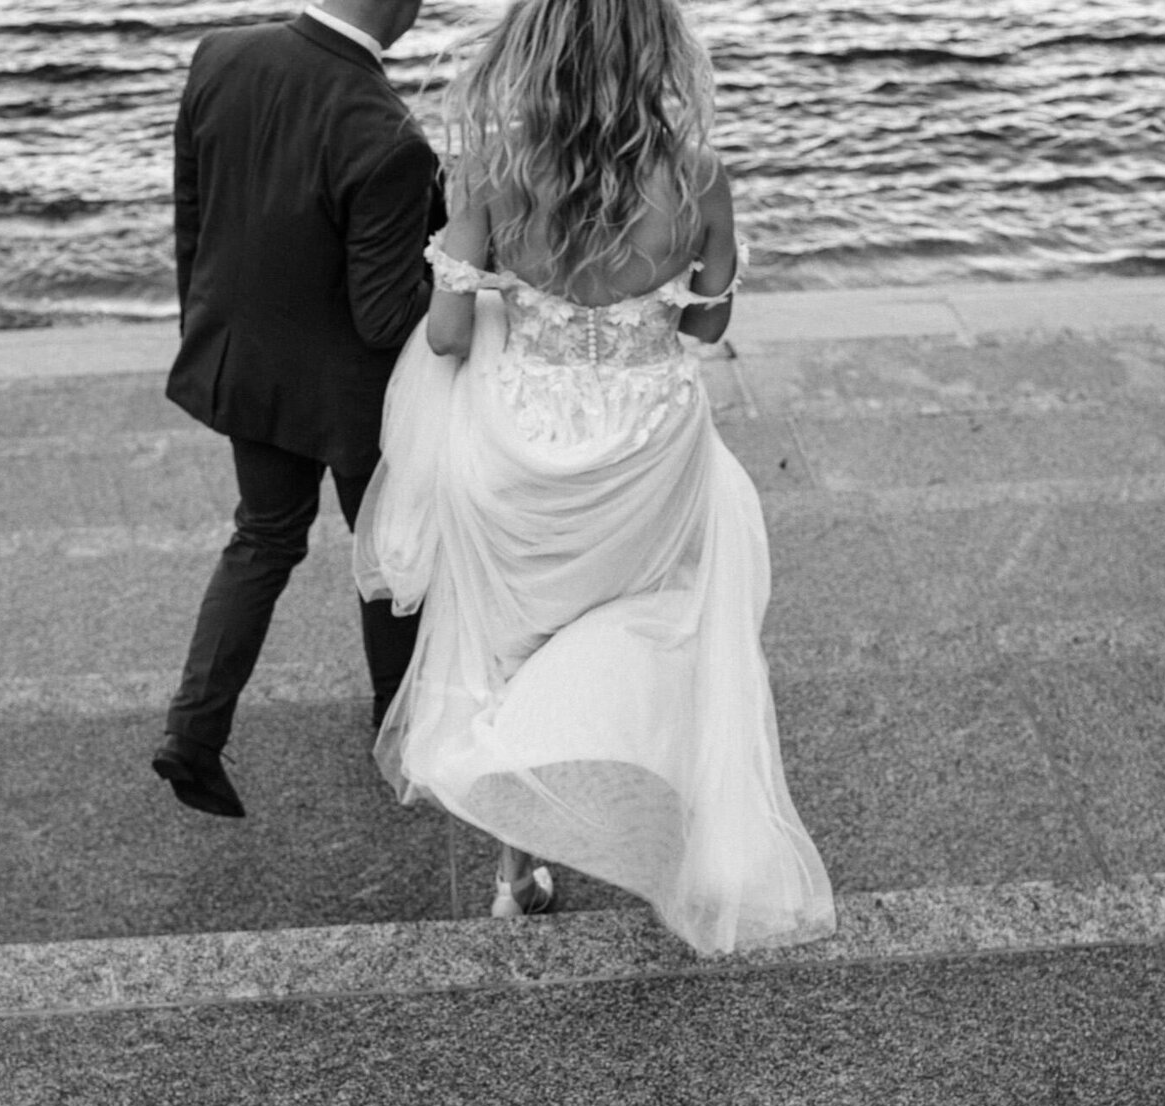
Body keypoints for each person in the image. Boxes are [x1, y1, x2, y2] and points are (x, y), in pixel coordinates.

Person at [353, 0, 836, 954]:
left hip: (519, 448)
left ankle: (513, 868)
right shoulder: (699, 176)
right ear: (658, 49)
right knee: (659, 625)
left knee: (509, 649)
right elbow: (704, 328)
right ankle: (664, 832)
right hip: (646, 451)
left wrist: (506, 306)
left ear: (534, 53)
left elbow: (448, 333)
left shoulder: (494, 169)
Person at [153, 0, 443, 818]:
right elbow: (386, 314)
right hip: (353, 399)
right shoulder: (389, 135)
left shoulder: (221, 54)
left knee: (264, 537)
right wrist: (452, 269)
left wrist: (208, 335)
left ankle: (193, 734)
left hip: (247, 365)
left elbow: (193, 216)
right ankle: (400, 732)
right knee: (388, 552)